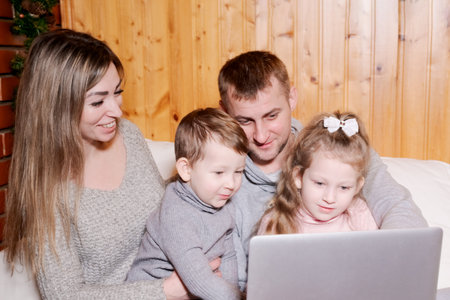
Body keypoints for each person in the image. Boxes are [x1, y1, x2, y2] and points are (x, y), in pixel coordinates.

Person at [2, 29, 212, 300]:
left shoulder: (128, 135)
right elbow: (64, 295)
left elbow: (149, 204)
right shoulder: (47, 193)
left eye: (117, 92)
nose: (116, 110)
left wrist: (206, 171)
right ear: (58, 107)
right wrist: (165, 291)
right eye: (98, 101)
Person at [217, 50, 427, 289]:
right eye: (245, 121)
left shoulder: (339, 148)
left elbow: (401, 213)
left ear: (292, 98)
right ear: (225, 112)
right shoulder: (216, 180)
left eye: (272, 115)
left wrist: (379, 273)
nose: (261, 135)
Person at [127, 108, 247, 300]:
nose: (231, 184)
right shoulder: (176, 214)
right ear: (186, 169)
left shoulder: (223, 201)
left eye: (238, 172)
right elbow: (198, 279)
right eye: (219, 173)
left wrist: (233, 291)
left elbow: (229, 256)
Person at [258, 111, 378, 235]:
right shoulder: (275, 223)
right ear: (298, 177)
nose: (330, 198)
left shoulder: (359, 215)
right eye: (320, 183)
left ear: (358, 186)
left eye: (343, 187)